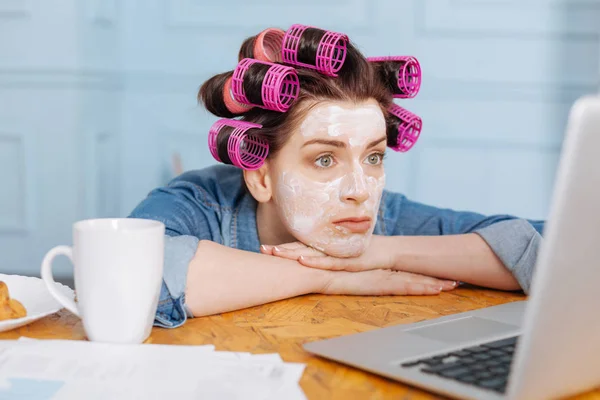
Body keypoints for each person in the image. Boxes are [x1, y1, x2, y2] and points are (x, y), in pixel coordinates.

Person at [129, 25, 544, 328]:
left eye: (374, 157)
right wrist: (326, 277)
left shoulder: (377, 221)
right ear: (260, 176)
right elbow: (133, 268)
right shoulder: (200, 201)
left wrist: (384, 253)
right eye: (325, 160)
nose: (361, 191)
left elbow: (550, 249)